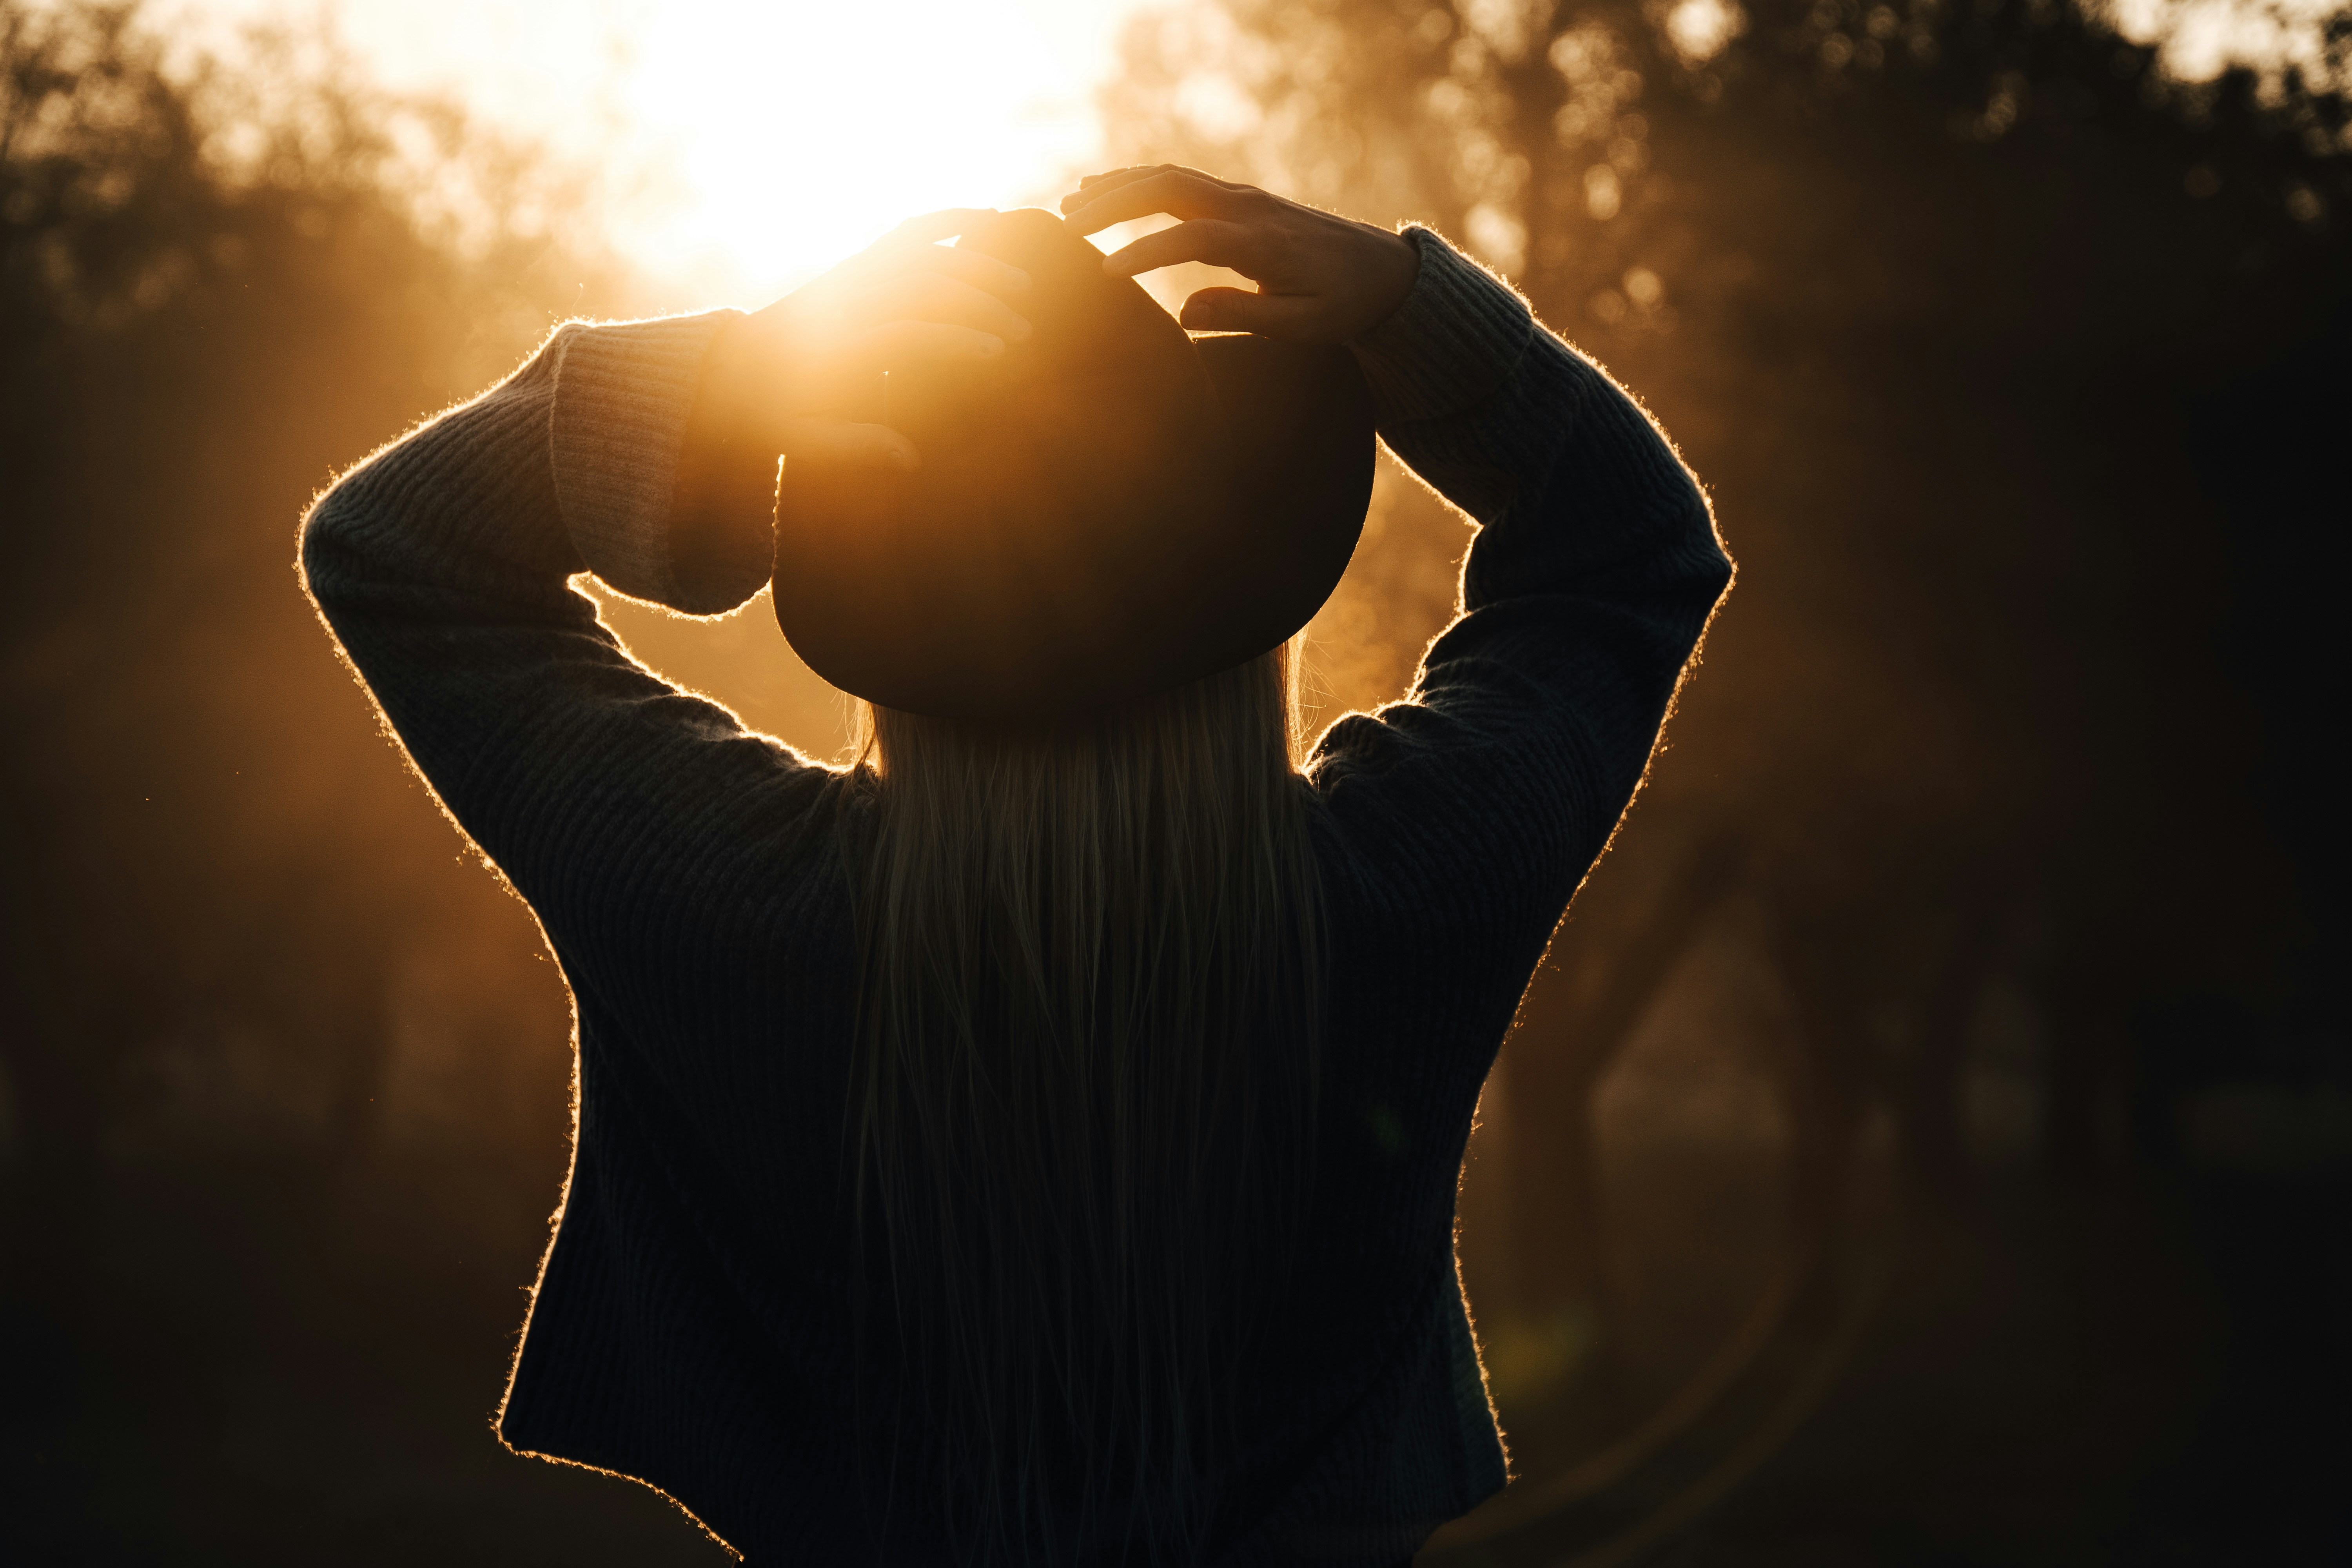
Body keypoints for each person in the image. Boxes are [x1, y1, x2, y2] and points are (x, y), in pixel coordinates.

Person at [300, 166, 1732, 1565]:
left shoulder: (734, 897)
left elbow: (396, 551)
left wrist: (733, 392)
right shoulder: (1399, 885)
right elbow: (1628, 554)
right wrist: (1416, 312)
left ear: (886, 599)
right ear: (1252, 580)